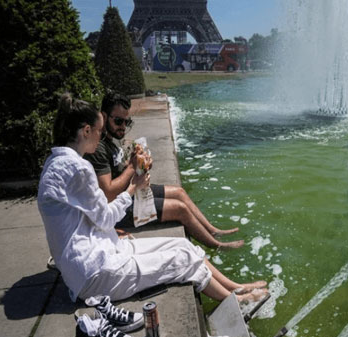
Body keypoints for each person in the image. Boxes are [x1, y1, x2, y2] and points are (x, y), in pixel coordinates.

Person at [38, 93, 267, 304]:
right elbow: (105, 217)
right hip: (95, 274)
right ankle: (238, 301)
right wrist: (132, 188)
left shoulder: (57, 163)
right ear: (86, 131)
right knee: (183, 259)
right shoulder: (77, 169)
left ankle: (236, 288)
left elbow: (87, 218)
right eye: (98, 131)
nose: (100, 136)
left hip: (98, 256)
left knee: (182, 244)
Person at [84, 92, 243, 249]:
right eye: (119, 121)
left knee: (179, 192)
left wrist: (139, 163)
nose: (123, 127)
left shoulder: (111, 140)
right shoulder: (98, 148)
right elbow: (108, 194)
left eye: (127, 122)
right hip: (118, 209)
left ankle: (212, 230)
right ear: (104, 116)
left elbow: (119, 170)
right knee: (179, 209)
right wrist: (132, 166)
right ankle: (217, 246)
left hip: (130, 193)